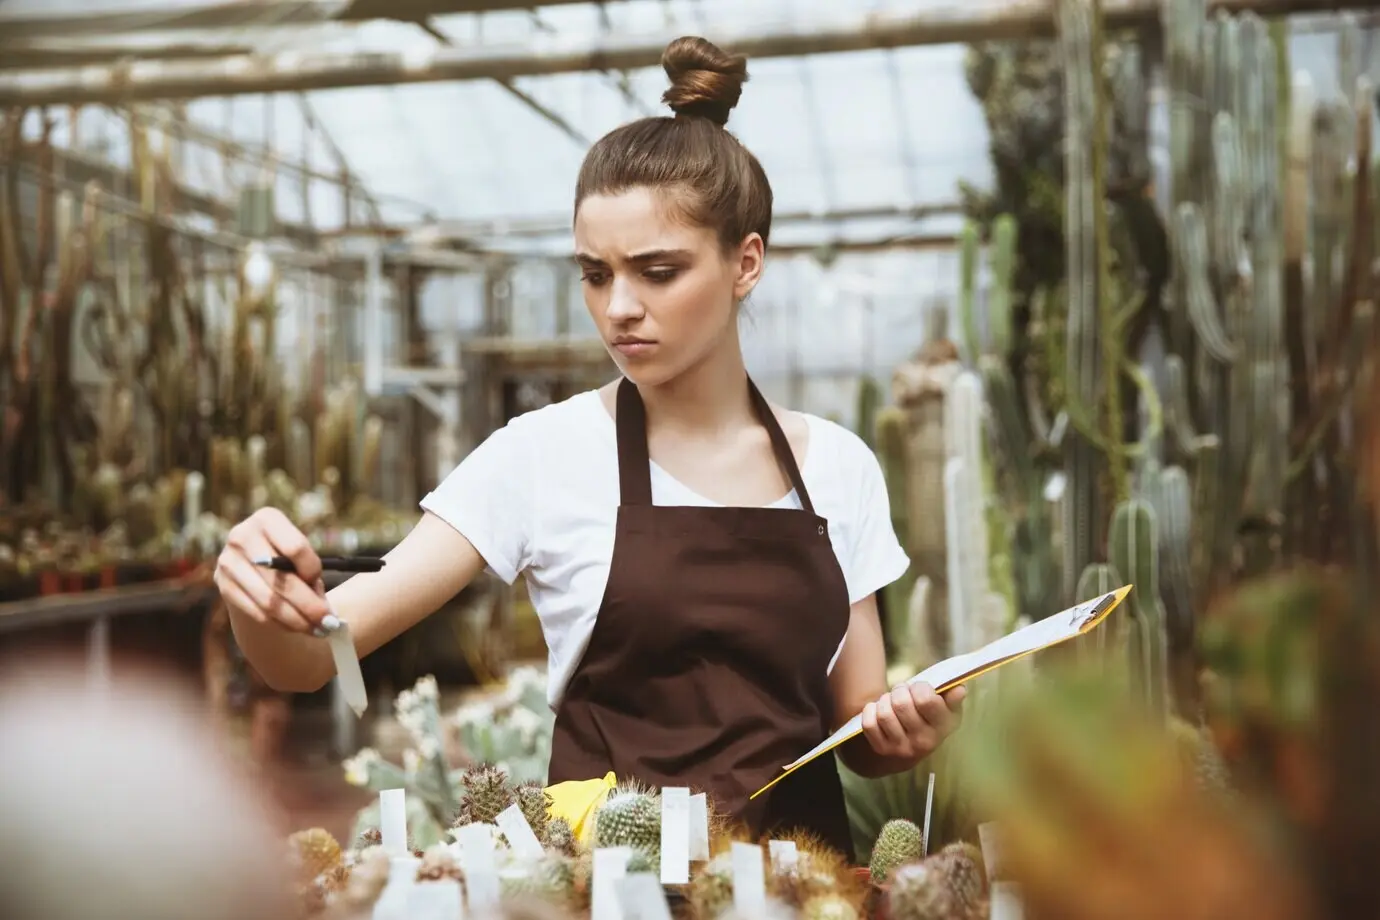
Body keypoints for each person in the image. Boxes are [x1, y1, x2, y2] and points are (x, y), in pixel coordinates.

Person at [214, 35, 966, 856]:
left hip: (802, 890)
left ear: (745, 262)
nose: (619, 309)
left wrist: (901, 730)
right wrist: (256, 595)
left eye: (658, 271)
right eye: (596, 273)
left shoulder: (840, 470)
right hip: (608, 890)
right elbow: (311, 657)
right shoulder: (541, 454)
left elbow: (853, 726)